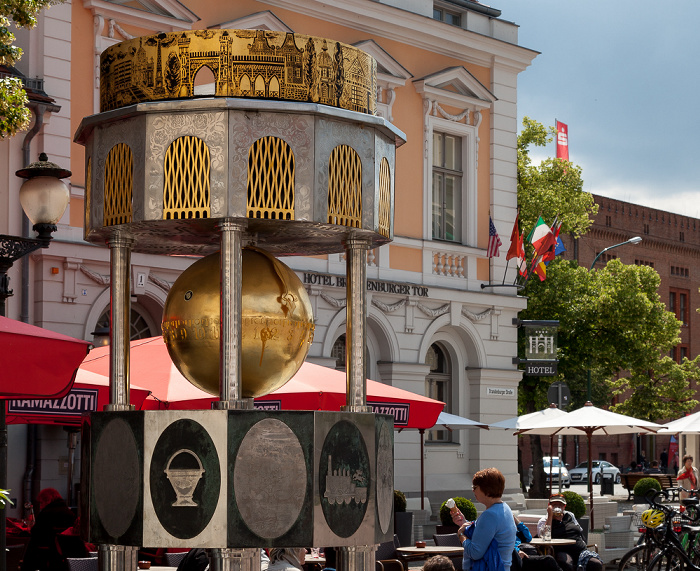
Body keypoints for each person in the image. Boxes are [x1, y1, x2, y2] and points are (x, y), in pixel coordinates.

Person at [451, 467, 515, 570]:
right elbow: (483, 535)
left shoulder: (490, 515)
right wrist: (464, 522)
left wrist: (461, 535)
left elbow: (475, 552)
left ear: (487, 489)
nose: (473, 490)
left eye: (475, 486)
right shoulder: (505, 508)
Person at [536, 494, 602, 571]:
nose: (558, 508)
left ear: (564, 507)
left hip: (580, 551)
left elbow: (579, 531)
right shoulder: (544, 520)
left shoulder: (570, 515)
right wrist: (550, 516)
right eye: (554, 505)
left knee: (595, 564)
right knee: (566, 564)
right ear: (549, 506)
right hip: (562, 551)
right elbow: (544, 537)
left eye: (560, 505)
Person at [20, 488, 77, 571]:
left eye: (41, 503)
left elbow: (35, 533)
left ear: (48, 500)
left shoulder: (46, 514)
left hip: (46, 553)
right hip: (66, 555)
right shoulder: (70, 513)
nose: (40, 506)